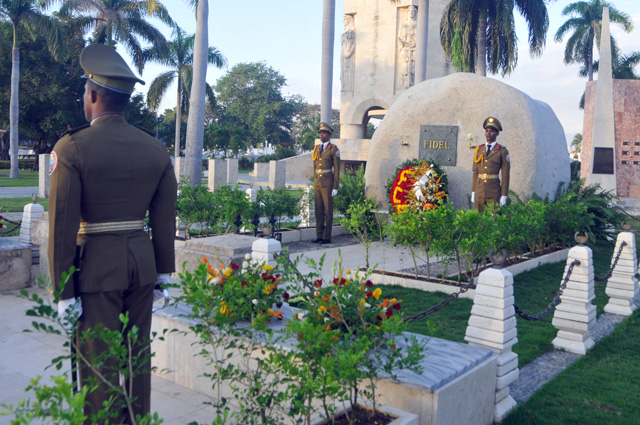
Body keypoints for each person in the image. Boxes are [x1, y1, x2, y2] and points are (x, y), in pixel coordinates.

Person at [49, 44, 177, 423]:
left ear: (92, 96)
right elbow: (165, 217)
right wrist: (165, 274)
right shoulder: (156, 149)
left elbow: (62, 226)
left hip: (97, 271)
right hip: (142, 265)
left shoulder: (72, 147)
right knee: (137, 358)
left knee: (98, 364)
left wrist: (62, 290)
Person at [471, 117, 510, 212]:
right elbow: (475, 173)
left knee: (493, 220)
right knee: (478, 220)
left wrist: (504, 195)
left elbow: (505, 175)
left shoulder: (502, 151)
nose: (488, 133)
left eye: (492, 131)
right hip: (479, 190)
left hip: (494, 191)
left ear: (497, 133)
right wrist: (473, 191)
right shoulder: (479, 150)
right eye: (487, 131)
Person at [312, 122, 340, 244]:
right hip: (318, 182)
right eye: (320, 133)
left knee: (328, 210)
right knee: (318, 210)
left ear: (329, 135)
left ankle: (326, 237)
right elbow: (314, 167)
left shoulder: (333, 149)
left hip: (328, 183)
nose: (321, 135)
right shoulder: (317, 148)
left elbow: (337, 169)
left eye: (323, 133)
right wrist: (315, 181)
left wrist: (335, 186)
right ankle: (319, 235)